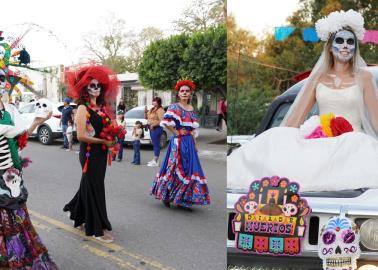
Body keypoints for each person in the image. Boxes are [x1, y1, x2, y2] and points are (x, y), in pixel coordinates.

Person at [228, 10, 378, 192]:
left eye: (350, 41)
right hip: (320, 140)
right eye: (340, 41)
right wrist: (277, 142)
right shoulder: (318, 78)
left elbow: (376, 120)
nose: (345, 45)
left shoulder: (365, 78)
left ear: (355, 47)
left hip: (352, 145)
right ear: (330, 47)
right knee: (277, 137)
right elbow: (295, 119)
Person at [0, 69, 58, 269]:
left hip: (10, 176)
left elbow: (18, 143)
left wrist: (35, 122)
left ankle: (18, 258)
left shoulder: (8, 110)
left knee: (16, 219)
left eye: (1, 78)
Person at [63, 64, 119, 243]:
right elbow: (81, 136)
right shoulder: (82, 108)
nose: (96, 88)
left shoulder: (101, 108)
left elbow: (106, 129)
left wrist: (113, 137)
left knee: (89, 184)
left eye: (98, 85)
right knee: (95, 186)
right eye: (92, 85)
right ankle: (97, 227)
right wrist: (104, 141)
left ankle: (78, 215)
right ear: (84, 87)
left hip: (101, 153)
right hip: (89, 154)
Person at [150, 80, 210, 209]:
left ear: (190, 94)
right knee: (173, 168)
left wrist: (195, 144)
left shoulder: (192, 110)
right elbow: (165, 122)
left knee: (189, 169)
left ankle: (183, 198)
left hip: (189, 141)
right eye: (182, 91)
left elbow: (193, 130)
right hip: (178, 141)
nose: (184, 93)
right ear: (178, 94)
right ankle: (166, 196)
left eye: (187, 91)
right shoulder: (174, 107)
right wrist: (176, 131)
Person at [144, 97, 165, 167]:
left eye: (155, 101)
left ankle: (156, 161)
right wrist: (145, 112)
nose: (153, 102)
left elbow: (162, 120)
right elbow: (147, 117)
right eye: (153, 101)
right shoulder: (152, 109)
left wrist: (153, 125)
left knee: (156, 144)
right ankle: (155, 159)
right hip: (151, 128)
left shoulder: (160, 110)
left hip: (157, 128)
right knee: (154, 143)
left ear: (158, 102)